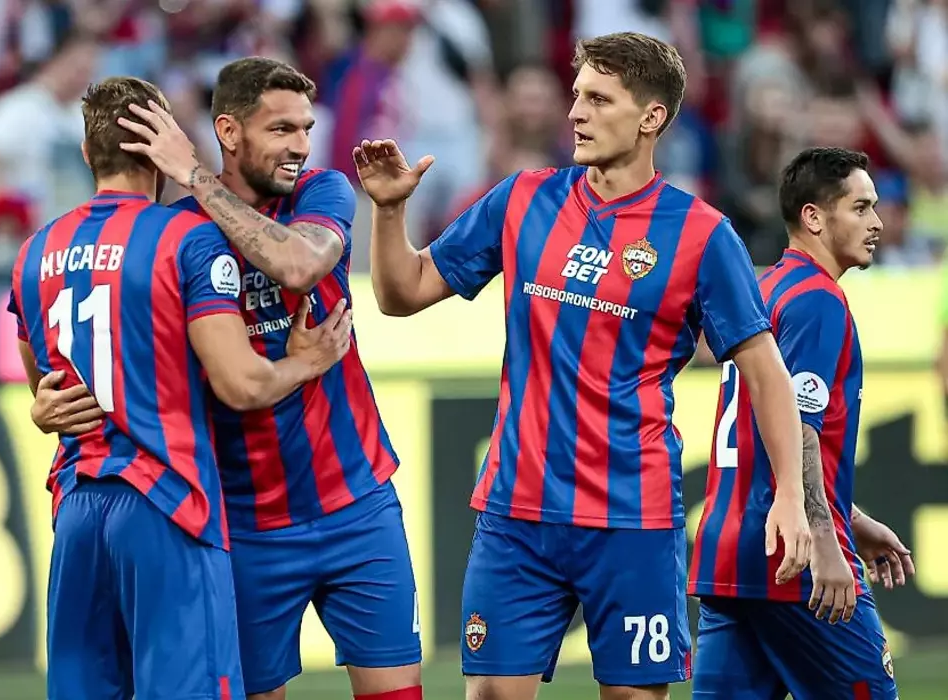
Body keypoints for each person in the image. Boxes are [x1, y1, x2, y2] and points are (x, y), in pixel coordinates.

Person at [354, 32, 812, 700]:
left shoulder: (701, 233)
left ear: (651, 117)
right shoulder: (523, 198)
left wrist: (791, 498)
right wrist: (390, 210)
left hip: (632, 519)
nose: (575, 112)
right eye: (576, 96)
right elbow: (402, 294)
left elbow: (766, 373)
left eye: (598, 99)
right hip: (517, 514)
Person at [37, 58, 424, 700]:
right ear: (229, 131)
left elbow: (300, 264)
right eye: (281, 129)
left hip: (357, 505)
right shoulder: (174, 235)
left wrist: (193, 175)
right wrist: (46, 405)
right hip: (243, 525)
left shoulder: (321, 192)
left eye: (306, 128)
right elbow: (127, 364)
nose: (301, 146)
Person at [689, 146, 916, 700]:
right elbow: (801, 426)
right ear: (814, 217)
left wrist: (851, 516)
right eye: (860, 207)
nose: (876, 222)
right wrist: (827, 541)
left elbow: (763, 429)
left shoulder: (764, 293)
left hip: (728, 551)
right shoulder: (819, 301)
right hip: (791, 552)